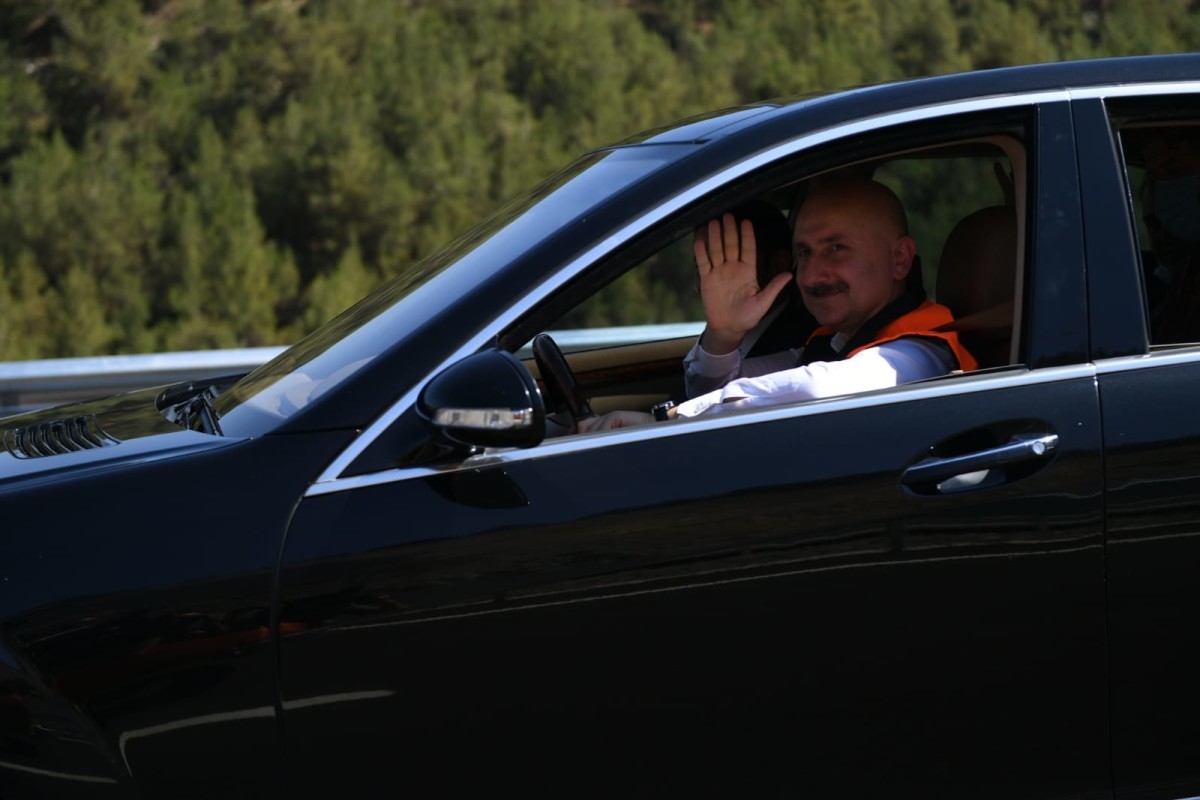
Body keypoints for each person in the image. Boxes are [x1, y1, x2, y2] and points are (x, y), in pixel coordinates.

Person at [577, 178, 978, 432]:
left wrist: (667, 419)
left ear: (900, 259)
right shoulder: (833, 340)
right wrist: (724, 336)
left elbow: (816, 389)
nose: (812, 274)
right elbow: (726, 392)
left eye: (836, 248)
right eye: (804, 252)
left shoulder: (921, 352)